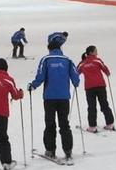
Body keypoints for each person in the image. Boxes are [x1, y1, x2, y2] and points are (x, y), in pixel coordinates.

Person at [28, 32, 79, 162]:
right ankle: (68, 150)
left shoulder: (46, 59)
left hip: (49, 98)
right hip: (64, 97)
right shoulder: (67, 60)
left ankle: (50, 150)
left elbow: (40, 76)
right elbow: (75, 76)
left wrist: (33, 86)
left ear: (49, 48)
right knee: (64, 124)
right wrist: (75, 83)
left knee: (50, 124)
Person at [77, 46, 115, 132]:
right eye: (95, 51)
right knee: (104, 104)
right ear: (91, 52)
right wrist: (107, 73)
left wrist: (74, 80)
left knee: (91, 107)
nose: (97, 53)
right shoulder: (97, 60)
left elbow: (76, 72)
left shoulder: (82, 63)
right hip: (101, 86)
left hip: (89, 88)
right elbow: (105, 68)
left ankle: (92, 126)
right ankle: (110, 124)